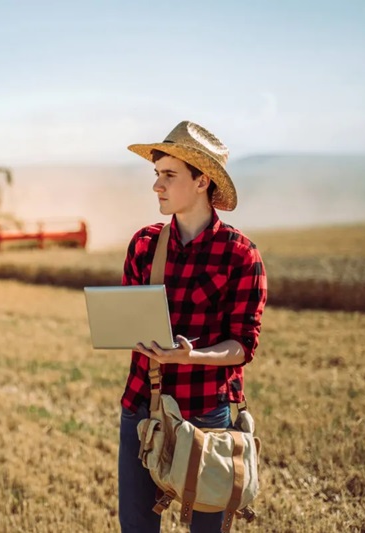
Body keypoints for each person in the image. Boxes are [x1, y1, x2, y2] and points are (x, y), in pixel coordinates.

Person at [118, 121, 268, 533]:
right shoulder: (144, 244)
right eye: (156, 175)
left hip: (206, 414)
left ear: (202, 181)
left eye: (169, 175)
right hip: (142, 406)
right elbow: (130, 318)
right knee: (135, 527)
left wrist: (192, 356)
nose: (157, 187)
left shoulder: (240, 255)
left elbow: (242, 345)